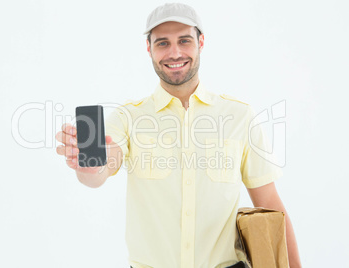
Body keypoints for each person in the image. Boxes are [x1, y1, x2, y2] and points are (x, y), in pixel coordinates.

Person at [55, 3, 302, 268]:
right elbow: (101, 169)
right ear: (149, 48)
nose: (174, 53)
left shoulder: (240, 116)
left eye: (184, 40)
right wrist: (88, 166)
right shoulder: (128, 118)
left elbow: (271, 206)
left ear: (201, 42)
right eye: (162, 43)